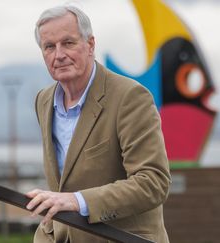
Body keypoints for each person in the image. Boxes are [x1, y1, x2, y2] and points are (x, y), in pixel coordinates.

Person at [26, 5, 171, 243]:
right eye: (49, 47)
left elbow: (153, 182)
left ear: (90, 45)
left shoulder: (130, 97)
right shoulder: (43, 100)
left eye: (68, 43)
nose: (58, 54)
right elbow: (66, 178)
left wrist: (78, 200)